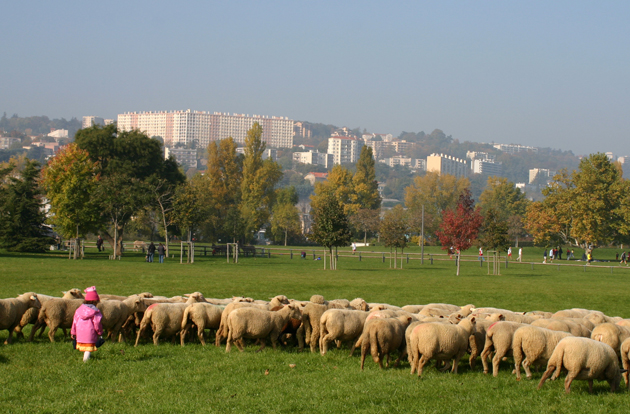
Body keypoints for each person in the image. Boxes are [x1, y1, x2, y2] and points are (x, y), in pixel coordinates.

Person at [71, 286, 103, 362]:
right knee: (88, 348)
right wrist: (100, 332)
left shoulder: (79, 310)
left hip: (80, 332)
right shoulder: (96, 312)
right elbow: (97, 323)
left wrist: (73, 332)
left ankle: (86, 359)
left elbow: (75, 321)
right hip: (90, 332)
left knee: (85, 347)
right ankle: (85, 362)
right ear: (95, 302)